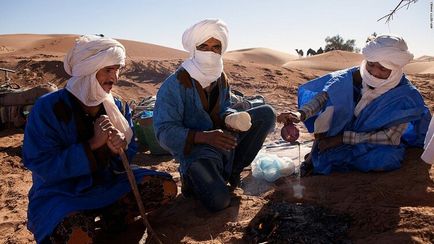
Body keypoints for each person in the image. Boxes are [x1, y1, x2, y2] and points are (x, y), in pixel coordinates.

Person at [23, 35, 177, 243]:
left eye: (117, 69)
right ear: (87, 70)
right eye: (108, 70)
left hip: (109, 183)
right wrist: (93, 144)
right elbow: (41, 164)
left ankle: (113, 217)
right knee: (76, 235)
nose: (114, 77)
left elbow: (128, 152)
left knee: (165, 187)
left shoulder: (118, 107)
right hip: (63, 192)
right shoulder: (49, 108)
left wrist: (120, 147)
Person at [153, 19, 275, 211]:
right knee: (220, 201)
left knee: (266, 114)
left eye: (215, 47)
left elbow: (224, 107)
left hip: (224, 142)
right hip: (197, 152)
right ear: (194, 49)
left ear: (221, 50)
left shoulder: (221, 78)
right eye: (204, 46)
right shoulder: (175, 84)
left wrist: (231, 118)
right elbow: (163, 132)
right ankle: (191, 179)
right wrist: (203, 137)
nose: (210, 52)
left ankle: (233, 172)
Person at [277, 34, 431, 175]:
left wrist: (342, 139)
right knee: (329, 110)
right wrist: (299, 114)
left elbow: (390, 137)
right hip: (342, 131)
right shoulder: (351, 76)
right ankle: (315, 152)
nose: (374, 72)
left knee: (386, 158)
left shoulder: (405, 96)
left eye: (383, 68)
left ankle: (331, 156)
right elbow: (323, 98)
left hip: (370, 141)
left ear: (396, 68)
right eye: (371, 64)